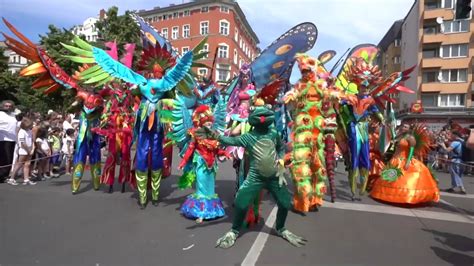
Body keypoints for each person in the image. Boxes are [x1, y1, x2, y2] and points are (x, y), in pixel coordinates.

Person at [370, 123, 440, 204]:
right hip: (395, 160)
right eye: (403, 126)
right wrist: (391, 158)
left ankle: (404, 197)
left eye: (406, 127)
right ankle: (389, 196)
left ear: (409, 129)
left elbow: (411, 150)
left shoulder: (411, 138)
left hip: (405, 160)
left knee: (402, 180)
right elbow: (395, 149)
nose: (404, 127)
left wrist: (408, 161)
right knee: (390, 179)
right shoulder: (399, 137)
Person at [7, 117, 36, 185]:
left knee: (27, 164)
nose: (31, 126)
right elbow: (22, 143)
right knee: (19, 164)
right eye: (30, 125)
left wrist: (32, 148)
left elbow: (31, 140)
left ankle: (26, 179)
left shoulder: (29, 131)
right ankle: (11, 178)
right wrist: (28, 150)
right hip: (24, 150)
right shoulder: (22, 132)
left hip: (29, 149)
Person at [0, 100, 19, 182]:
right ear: (2, 106)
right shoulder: (0, 114)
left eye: (10, 106)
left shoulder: (13, 115)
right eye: (6, 106)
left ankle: (5, 175)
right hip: (3, 139)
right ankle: (1, 175)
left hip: (12, 139)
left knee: (10, 158)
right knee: (5, 158)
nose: (8, 107)